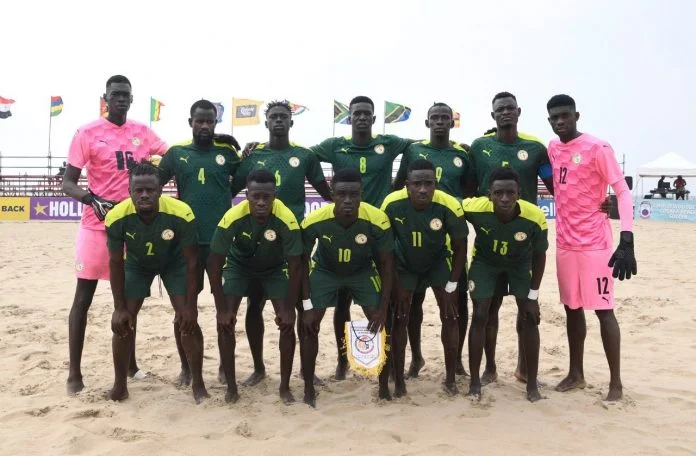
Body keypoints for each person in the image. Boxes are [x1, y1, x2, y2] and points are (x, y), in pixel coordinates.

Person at [62, 75, 168, 394]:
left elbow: (173, 157)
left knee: (127, 301)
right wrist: (91, 200)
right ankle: (74, 375)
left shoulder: (142, 132)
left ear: (132, 99)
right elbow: (68, 183)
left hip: (134, 229)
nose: (121, 99)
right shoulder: (87, 133)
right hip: (96, 228)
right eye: (115, 94)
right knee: (83, 298)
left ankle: (130, 365)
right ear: (105, 98)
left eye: (126, 95)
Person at [230, 100, 332, 387]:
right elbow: (231, 187)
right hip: (258, 243)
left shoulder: (304, 156)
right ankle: (259, 368)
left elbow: (325, 192)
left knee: (301, 304)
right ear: (266, 123)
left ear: (291, 122)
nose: (278, 121)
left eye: (283, 117)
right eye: (273, 117)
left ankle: (306, 370)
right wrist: (238, 149)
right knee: (255, 304)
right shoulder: (253, 155)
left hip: (294, 242)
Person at [546, 94, 637, 401]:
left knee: (603, 310)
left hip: (596, 245)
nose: (560, 121)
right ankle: (576, 373)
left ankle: (616, 383)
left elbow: (622, 192)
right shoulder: (552, 147)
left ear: (576, 115)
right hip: (564, 244)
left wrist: (627, 239)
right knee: (572, 308)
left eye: (565, 115)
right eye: (555, 117)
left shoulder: (598, 147)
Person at [468, 91, 554, 387]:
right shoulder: (480, 147)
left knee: (526, 308)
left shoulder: (535, 148)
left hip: (524, 240)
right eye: (499, 109)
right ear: (493, 115)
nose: (505, 112)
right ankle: (490, 367)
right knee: (487, 308)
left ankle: (524, 368)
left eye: (509, 108)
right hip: (490, 238)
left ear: (519, 112)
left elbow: (557, 186)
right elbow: (468, 186)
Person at [105, 161, 207, 403]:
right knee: (123, 321)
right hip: (137, 264)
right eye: (138, 190)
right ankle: (120, 385)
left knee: (186, 317)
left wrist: (191, 306)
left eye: (150, 190)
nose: (144, 195)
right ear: (129, 191)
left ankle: (199, 383)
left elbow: (193, 261)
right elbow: (116, 262)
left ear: (161, 189)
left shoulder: (181, 212)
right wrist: (119, 307)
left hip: (174, 262)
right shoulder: (116, 217)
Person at [158, 99, 240, 387]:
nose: (204, 125)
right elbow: (152, 184)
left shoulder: (226, 153)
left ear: (215, 123)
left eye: (210, 121)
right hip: (187, 244)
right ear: (190, 122)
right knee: (184, 311)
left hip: (221, 244)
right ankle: (186, 368)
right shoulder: (176, 154)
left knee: (226, 310)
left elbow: (242, 179)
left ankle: (224, 367)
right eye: (199, 121)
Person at [300, 168, 395, 407]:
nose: (348, 200)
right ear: (332, 194)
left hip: (362, 270)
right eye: (342, 194)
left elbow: (386, 265)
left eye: (354, 194)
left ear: (362, 194)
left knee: (380, 320)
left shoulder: (377, 219)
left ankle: (383, 387)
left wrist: (384, 307)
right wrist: (306, 304)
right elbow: (300, 263)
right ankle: (309, 386)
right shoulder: (314, 221)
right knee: (310, 324)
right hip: (325, 271)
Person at [392, 102, 474, 378]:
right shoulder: (414, 150)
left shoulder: (463, 154)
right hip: (415, 241)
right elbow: (400, 182)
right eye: (434, 118)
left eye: (445, 118)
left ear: (452, 122)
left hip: (448, 241)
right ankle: (416, 358)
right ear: (427, 123)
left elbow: (471, 189)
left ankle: (457, 362)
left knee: (457, 304)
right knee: (411, 306)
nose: (440, 122)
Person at [207, 169, 302, 404]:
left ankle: (284, 387)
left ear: (274, 196)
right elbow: (214, 263)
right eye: (255, 196)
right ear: (246, 194)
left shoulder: (286, 218)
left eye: (266, 197)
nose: (260, 202)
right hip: (240, 267)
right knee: (226, 323)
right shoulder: (232, 217)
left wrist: (289, 308)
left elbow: (296, 265)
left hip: (274, 268)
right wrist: (221, 309)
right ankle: (232, 387)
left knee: (288, 322)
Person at [381, 159, 468, 397]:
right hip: (405, 264)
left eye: (428, 184)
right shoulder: (391, 204)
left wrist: (451, 286)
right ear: (406, 185)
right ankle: (399, 381)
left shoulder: (449, 205)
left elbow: (461, 247)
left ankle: (450, 379)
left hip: (438, 262)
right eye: (416, 184)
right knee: (400, 316)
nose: (422, 189)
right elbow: (385, 249)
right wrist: (397, 284)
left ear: (435, 184)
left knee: (450, 315)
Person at [464, 167, 548, 402]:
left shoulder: (534, 217)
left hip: (519, 265)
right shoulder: (474, 208)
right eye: (498, 193)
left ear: (519, 193)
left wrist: (533, 295)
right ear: (489, 194)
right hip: (485, 263)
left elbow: (540, 256)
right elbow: (450, 207)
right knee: (481, 314)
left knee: (529, 317)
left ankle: (532, 384)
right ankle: (477, 380)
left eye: (510, 193)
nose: (504, 199)